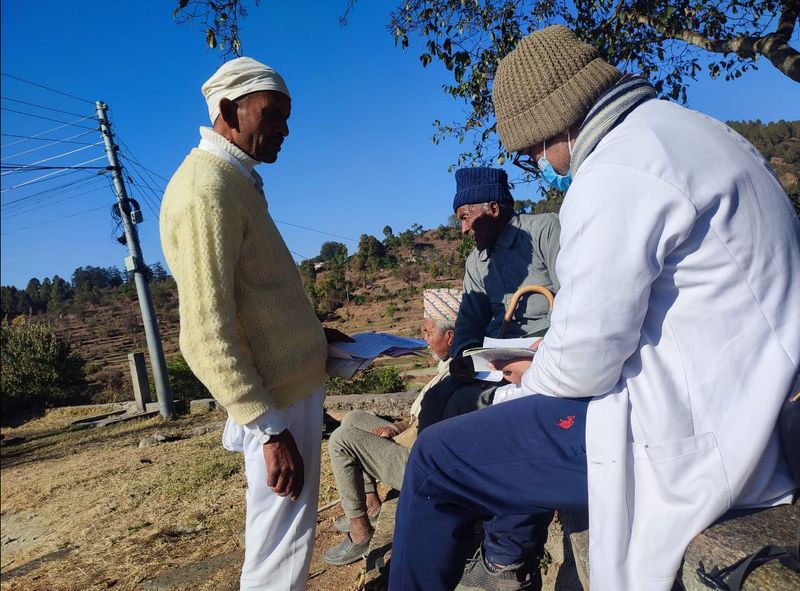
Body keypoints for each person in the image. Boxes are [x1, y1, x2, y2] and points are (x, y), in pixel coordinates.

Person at [389, 25, 800, 591]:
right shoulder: (700, 134)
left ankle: (497, 563)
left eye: (532, 149)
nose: (542, 163)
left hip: (692, 437)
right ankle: (502, 557)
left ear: (555, 117)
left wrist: (516, 385)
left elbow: (584, 361)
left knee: (436, 457)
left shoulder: (613, 172)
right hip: (754, 403)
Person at [160, 57, 330, 591]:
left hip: (285, 395)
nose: (284, 128)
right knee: (279, 546)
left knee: (287, 535)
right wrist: (269, 429)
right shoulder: (206, 192)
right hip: (274, 406)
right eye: (273, 113)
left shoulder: (235, 180)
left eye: (287, 115)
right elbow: (205, 333)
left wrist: (319, 338)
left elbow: (254, 299)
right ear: (230, 110)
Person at [323, 289, 461, 566]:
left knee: (341, 440)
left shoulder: (457, 375)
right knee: (353, 419)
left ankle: (360, 531)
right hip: (412, 441)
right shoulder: (448, 366)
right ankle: (371, 505)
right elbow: (418, 417)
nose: (424, 338)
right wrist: (396, 429)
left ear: (450, 336)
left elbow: (430, 430)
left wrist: (400, 436)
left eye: (427, 331)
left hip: (420, 466)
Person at [417, 167, 560, 428]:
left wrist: (542, 354)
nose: (462, 229)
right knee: (434, 400)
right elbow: (468, 323)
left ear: (493, 209)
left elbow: (576, 300)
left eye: (465, 218)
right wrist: (463, 357)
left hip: (546, 355)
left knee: (464, 405)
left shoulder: (545, 230)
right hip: (496, 363)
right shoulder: (475, 262)